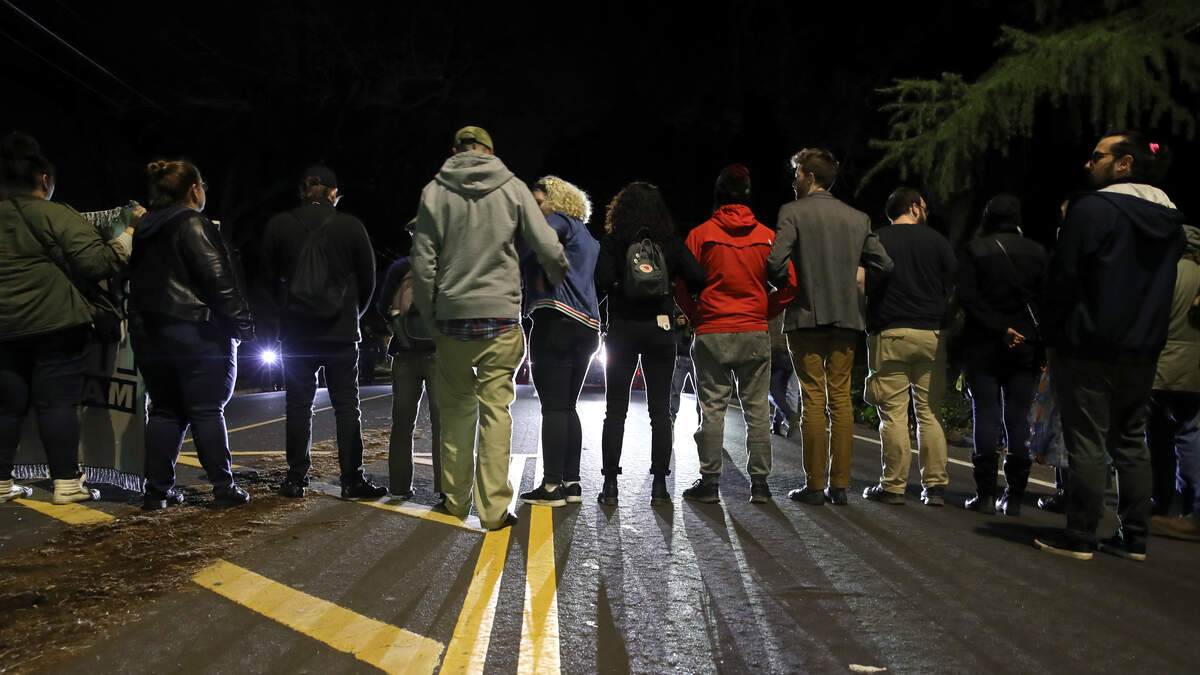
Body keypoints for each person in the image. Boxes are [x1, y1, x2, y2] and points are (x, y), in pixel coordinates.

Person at [1035, 132, 1185, 561]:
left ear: (1124, 163)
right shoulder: (1171, 221)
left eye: (1097, 156)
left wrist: (1052, 334)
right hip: (1144, 348)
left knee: (1087, 440)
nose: (1089, 164)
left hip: (1088, 344)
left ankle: (1080, 535)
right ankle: (1134, 537)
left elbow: (1063, 278)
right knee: (1131, 441)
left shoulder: (1092, 210)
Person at [411, 126, 567, 530]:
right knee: (496, 411)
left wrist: (430, 315)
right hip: (500, 318)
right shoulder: (512, 187)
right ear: (491, 152)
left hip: (452, 318)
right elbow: (547, 244)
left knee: (456, 411)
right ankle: (494, 510)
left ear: (455, 151)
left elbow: (423, 262)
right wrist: (558, 274)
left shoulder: (434, 192)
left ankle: (455, 500)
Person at [0, 131, 134, 504]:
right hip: (56, 325)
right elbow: (97, 263)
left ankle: (1, 484)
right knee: (57, 405)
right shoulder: (56, 214)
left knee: (6, 408)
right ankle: (67, 485)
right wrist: (128, 234)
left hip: (3, 329)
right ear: (44, 179)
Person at [766, 148, 892, 505]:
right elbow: (884, 264)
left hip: (805, 316)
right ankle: (839, 486)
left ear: (808, 175)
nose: (793, 180)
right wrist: (857, 285)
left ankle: (814, 485)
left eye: (796, 174)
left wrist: (788, 286)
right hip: (847, 319)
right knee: (840, 399)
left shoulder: (793, 211)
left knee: (813, 398)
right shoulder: (857, 218)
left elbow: (775, 263)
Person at [128, 160, 255, 509]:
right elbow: (219, 280)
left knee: (166, 410)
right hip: (196, 331)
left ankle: (157, 491)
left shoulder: (144, 229)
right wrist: (243, 327)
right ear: (194, 189)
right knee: (206, 409)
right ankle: (223, 486)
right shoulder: (193, 223)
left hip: (150, 332)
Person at [262, 165, 385, 500]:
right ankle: (352, 480)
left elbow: (267, 279)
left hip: (296, 332)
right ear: (334, 193)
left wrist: (285, 312)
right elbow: (369, 279)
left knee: (298, 405)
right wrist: (353, 314)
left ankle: (295, 478)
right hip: (340, 332)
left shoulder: (279, 225)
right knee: (346, 406)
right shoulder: (350, 226)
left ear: (303, 191)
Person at [677, 164, 795, 504]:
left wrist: (696, 315)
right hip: (753, 331)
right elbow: (791, 285)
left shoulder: (700, 235)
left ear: (717, 194)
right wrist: (763, 311)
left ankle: (709, 482)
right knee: (756, 409)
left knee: (712, 407)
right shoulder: (767, 237)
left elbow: (680, 284)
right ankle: (759, 485)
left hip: (712, 330)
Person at [595, 181, 706, 505]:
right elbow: (698, 276)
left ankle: (610, 486)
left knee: (615, 410)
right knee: (659, 411)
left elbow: (600, 281)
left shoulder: (614, 241)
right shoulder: (669, 243)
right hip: (660, 329)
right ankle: (659, 486)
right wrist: (670, 284)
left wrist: (621, 285)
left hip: (623, 329)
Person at [861, 188, 956, 507]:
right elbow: (953, 283)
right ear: (914, 208)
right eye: (924, 206)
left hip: (890, 332)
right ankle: (935, 487)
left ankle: (893, 486)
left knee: (893, 415)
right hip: (931, 333)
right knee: (929, 413)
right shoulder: (937, 241)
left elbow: (860, 281)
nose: (926, 211)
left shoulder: (877, 238)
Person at [957, 194, 1047, 516]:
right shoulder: (1038, 253)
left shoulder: (975, 250)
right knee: (1019, 416)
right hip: (1026, 344)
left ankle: (984, 495)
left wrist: (999, 328)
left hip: (984, 343)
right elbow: (1047, 302)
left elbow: (967, 298)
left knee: (986, 414)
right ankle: (1014, 497)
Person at [517, 176, 601, 507]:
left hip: (556, 320)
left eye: (538, 202)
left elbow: (537, 243)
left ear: (556, 201)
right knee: (567, 406)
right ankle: (572, 483)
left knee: (553, 406)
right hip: (587, 325)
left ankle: (551, 486)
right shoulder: (586, 235)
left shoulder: (557, 222)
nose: (534, 209)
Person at [1145, 225, 1200, 539]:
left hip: (1165, 365)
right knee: (1189, 432)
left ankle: (1160, 500)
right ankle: (1189, 502)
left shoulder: (1168, 273)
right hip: (1194, 370)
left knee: (1159, 437)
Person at [378, 235, 439, 501]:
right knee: (442, 425)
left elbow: (382, 306)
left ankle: (399, 486)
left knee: (402, 423)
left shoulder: (401, 266)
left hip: (404, 352)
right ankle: (445, 490)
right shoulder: (450, 266)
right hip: (439, 353)